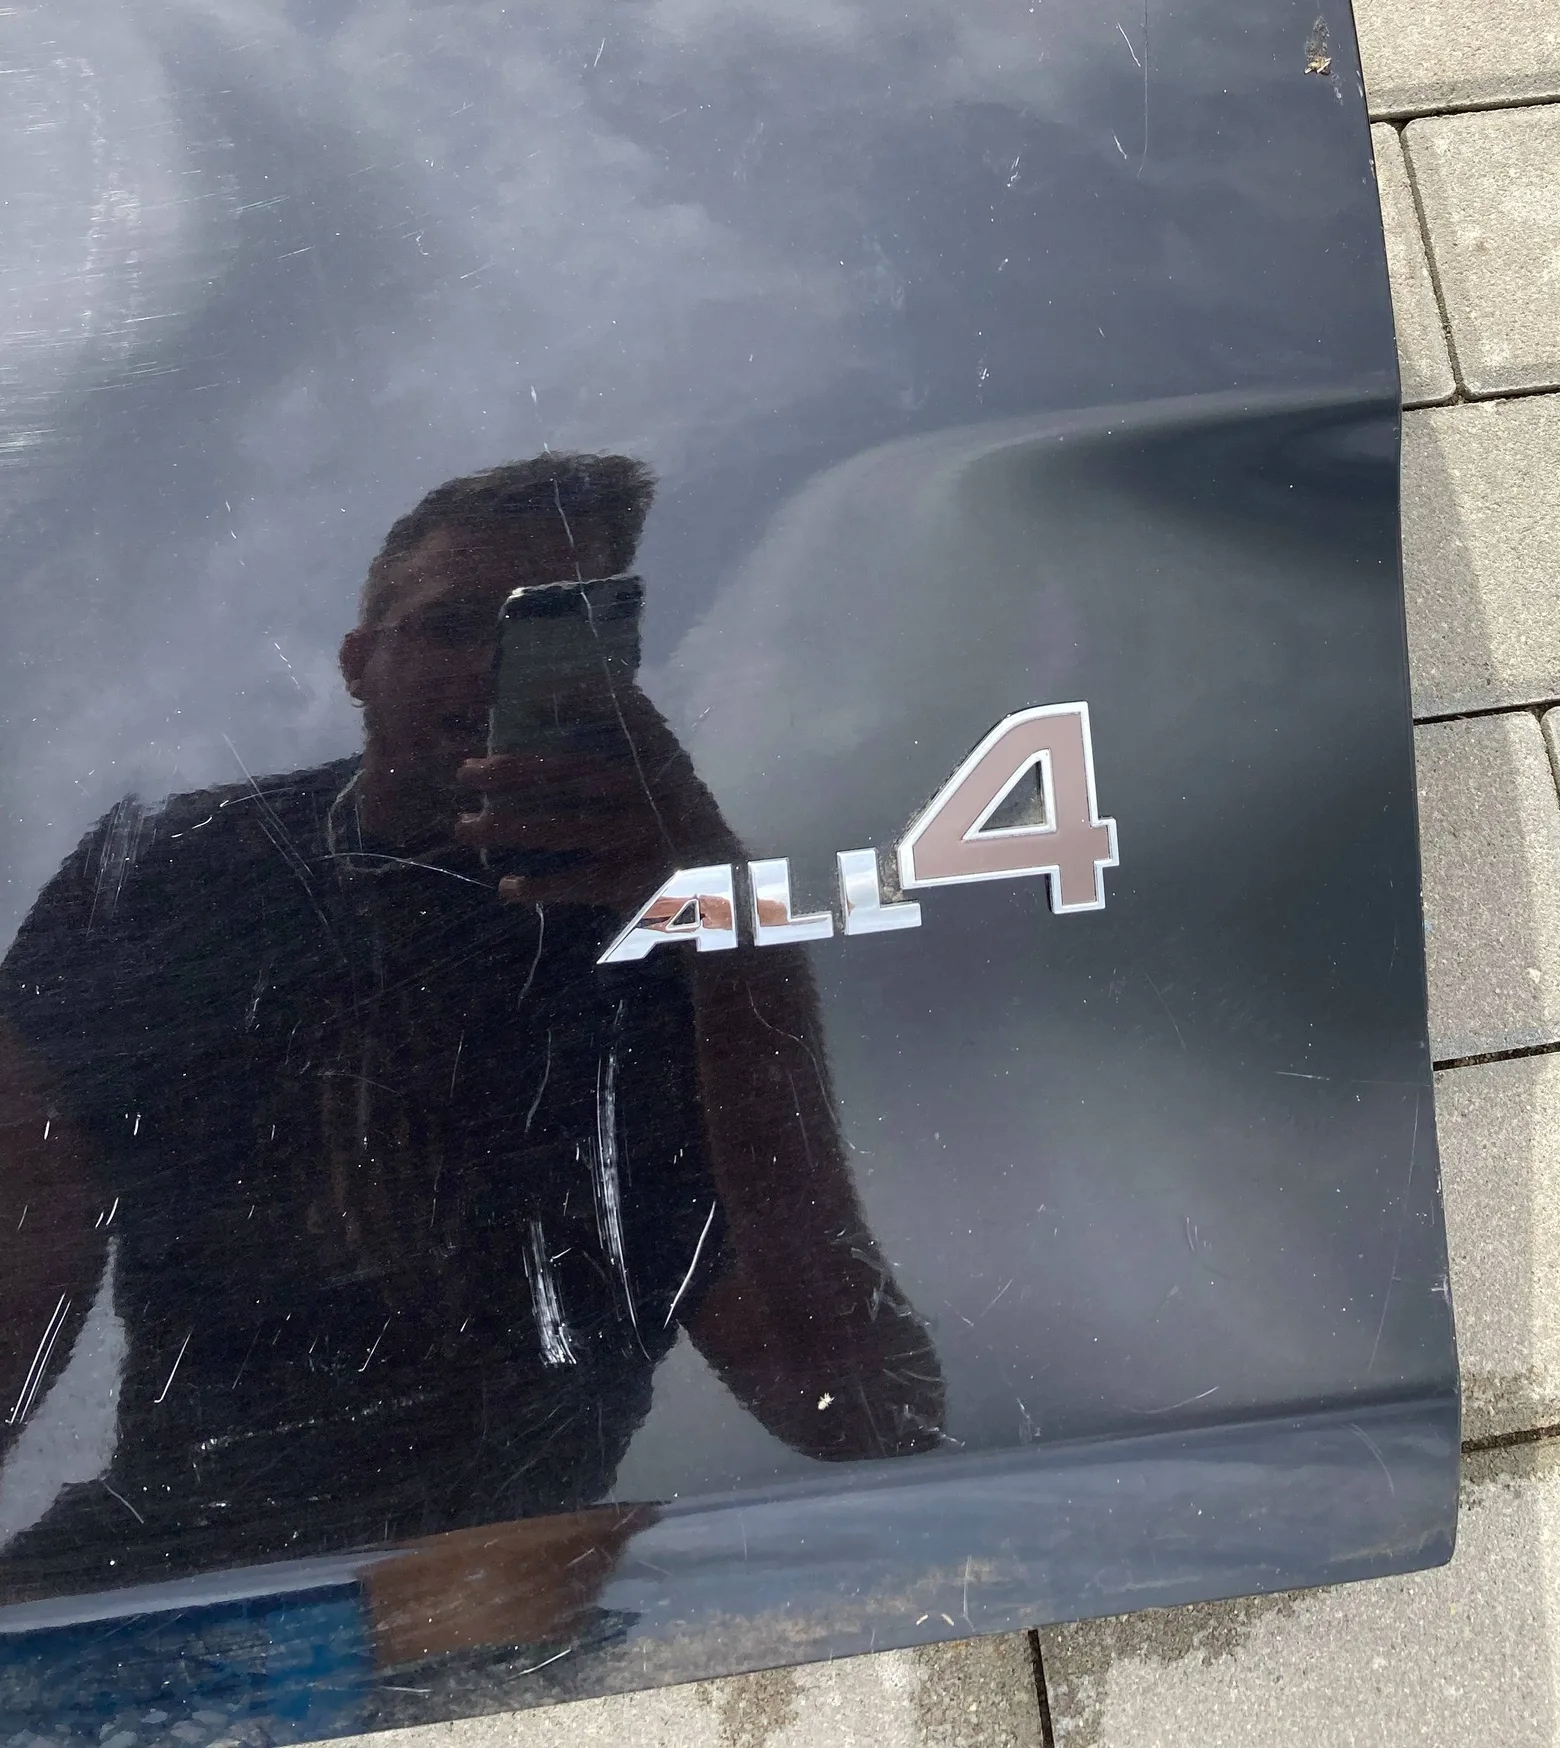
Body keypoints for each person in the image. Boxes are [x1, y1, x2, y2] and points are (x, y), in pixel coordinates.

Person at [0, 456, 942, 1667]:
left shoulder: (668, 953)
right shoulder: (163, 875)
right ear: (360, 660)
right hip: (168, 1574)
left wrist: (724, 923)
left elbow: (858, 1409)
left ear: (624, 664)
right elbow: (25, 1257)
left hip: (519, 1604)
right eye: (451, 624)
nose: (492, 664)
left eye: (553, 628)